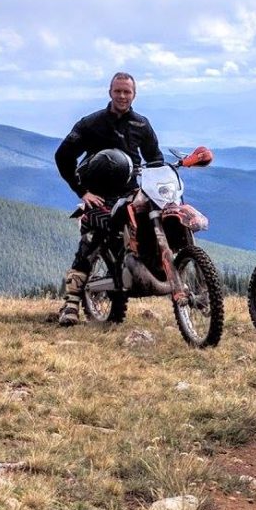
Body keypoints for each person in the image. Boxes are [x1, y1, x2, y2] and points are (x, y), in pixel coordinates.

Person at [54, 72, 163, 326]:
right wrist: (82, 192)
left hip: (131, 193)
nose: (122, 96)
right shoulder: (91, 123)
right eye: (118, 91)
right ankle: (70, 304)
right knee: (91, 241)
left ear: (134, 94)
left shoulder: (141, 125)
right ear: (110, 92)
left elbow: (155, 159)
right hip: (99, 194)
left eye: (127, 92)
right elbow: (63, 156)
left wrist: (154, 188)